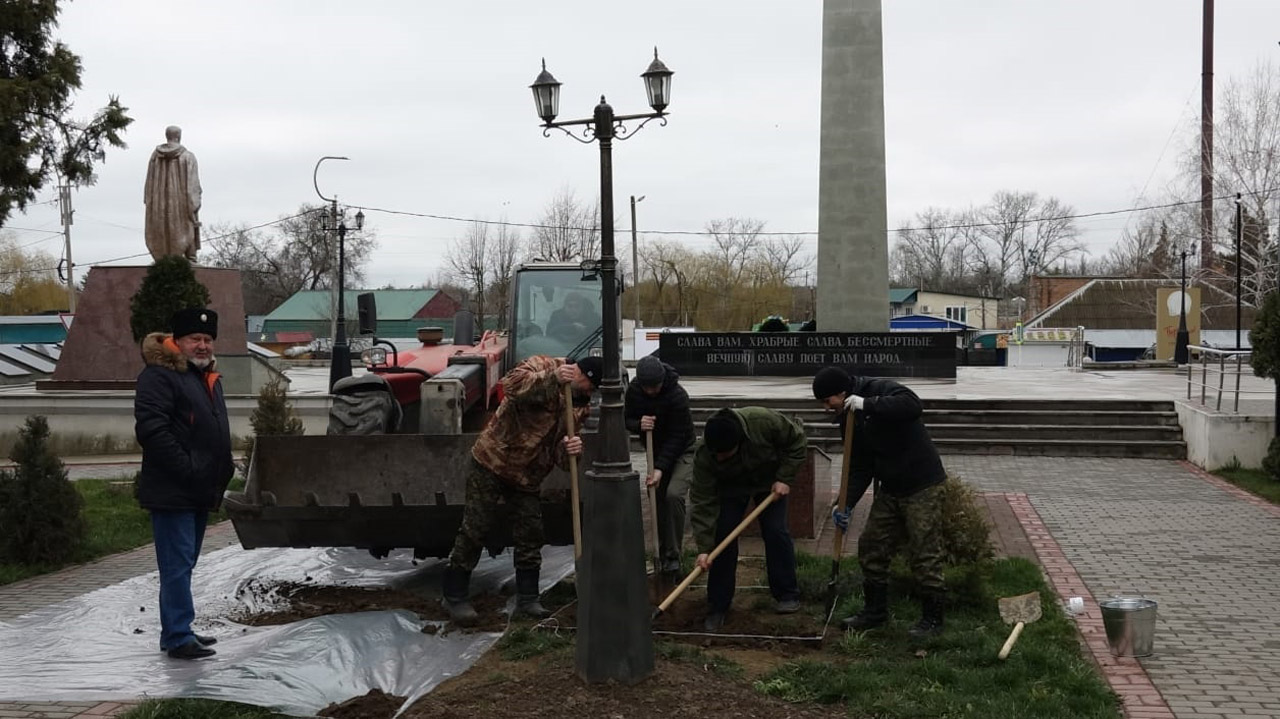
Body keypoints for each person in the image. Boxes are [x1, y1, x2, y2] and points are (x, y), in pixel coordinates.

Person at [441, 355, 603, 624]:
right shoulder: (542, 366)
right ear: (580, 374)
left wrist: (572, 450)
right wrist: (552, 380)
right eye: (590, 386)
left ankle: (528, 598)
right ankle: (455, 594)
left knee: (530, 533)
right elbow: (512, 388)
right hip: (493, 461)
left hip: (528, 474)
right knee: (475, 528)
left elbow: (561, 458)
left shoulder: (579, 406)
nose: (590, 394)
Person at [812, 366, 948, 637]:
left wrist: (868, 405)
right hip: (890, 488)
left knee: (924, 552)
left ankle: (932, 619)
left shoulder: (880, 390)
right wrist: (846, 503)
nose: (827, 408)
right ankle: (875, 612)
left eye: (829, 401)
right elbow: (860, 465)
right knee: (872, 546)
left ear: (843, 392)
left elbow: (912, 406)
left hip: (922, 484)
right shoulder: (847, 418)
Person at [134, 307, 234, 660]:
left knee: (185, 564)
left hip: (199, 489)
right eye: (196, 338)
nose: (203, 345)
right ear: (178, 341)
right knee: (176, 566)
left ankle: (180, 628)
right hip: (174, 489)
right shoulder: (160, 376)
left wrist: (224, 469)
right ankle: (177, 636)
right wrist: (189, 468)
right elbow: (152, 430)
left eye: (208, 339)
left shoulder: (203, 377)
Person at [689, 406, 806, 631]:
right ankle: (718, 604)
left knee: (775, 531)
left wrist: (785, 478)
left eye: (725, 453)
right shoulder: (705, 453)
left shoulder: (764, 422)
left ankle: (787, 593)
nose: (720, 457)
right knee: (722, 537)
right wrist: (704, 547)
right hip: (731, 486)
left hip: (770, 480)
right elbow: (703, 501)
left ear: (740, 441)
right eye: (717, 455)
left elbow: (797, 442)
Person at [624, 355, 695, 575]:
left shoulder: (677, 395)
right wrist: (638, 424)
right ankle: (662, 553)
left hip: (683, 450)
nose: (652, 392)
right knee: (657, 498)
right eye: (648, 388)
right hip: (654, 450)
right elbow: (626, 419)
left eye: (655, 387)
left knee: (673, 495)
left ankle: (673, 556)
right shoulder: (635, 391)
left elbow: (677, 436)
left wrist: (659, 469)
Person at [144, 125, 202, 261]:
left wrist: (150, 201)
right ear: (179, 136)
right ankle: (190, 257)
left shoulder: (155, 158)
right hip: (181, 204)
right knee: (187, 226)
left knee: (163, 226)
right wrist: (194, 204)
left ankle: (164, 257)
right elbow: (193, 186)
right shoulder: (188, 157)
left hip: (159, 204)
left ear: (167, 136)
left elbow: (148, 183)